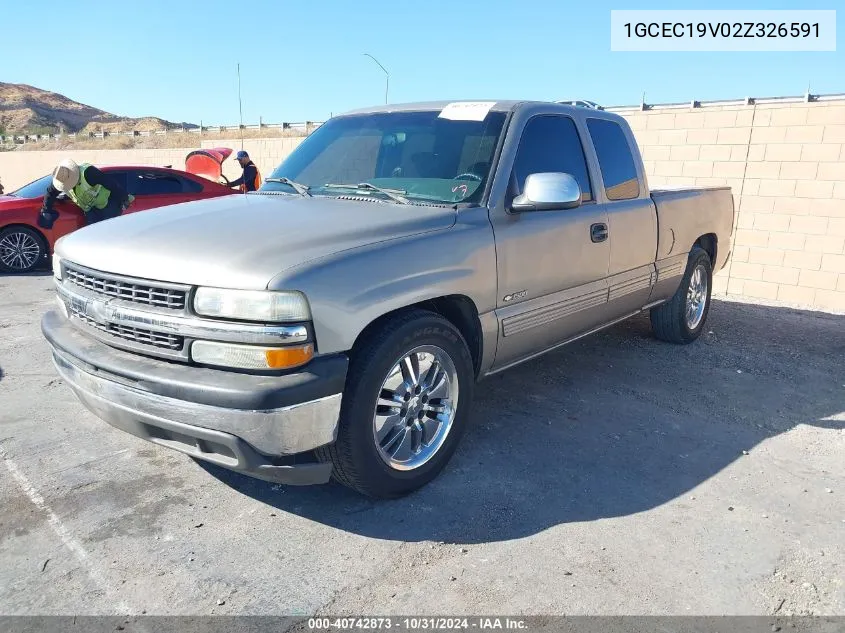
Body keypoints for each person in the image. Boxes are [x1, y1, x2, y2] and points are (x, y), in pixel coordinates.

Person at [38, 159, 133, 230]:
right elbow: (50, 193)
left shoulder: (88, 173)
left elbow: (111, 183)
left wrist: (124, 198)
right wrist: (46, 210)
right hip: (90, 210)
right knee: (93, 237)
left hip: (108, 205)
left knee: (108, 235)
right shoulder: (61, 179)